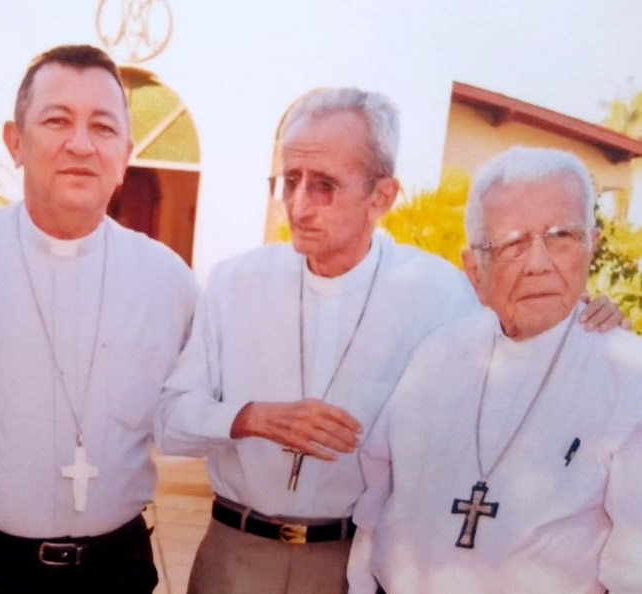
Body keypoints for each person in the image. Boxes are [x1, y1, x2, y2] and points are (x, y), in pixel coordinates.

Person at [153, 88, 623, 594]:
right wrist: (251, 418)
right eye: (289, 181)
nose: (298, 204)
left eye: (324, 185)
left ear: (381, 196)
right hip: (238, 553)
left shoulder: (439, 293)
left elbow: (519, 338)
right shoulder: (234, 282)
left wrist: (587, 312)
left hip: (344, 561)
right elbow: (169, 423)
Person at [0, 45, 198, 594]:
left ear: (126, 154)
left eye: (103, 127)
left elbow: (190, 412)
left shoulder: (167, 278)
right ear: (15, 141)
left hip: (115, 568)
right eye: (57, 120)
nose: (81, 144)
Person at [347, 146, 642, 594]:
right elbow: (378, 498)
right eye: (512, 243)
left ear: (591, 247)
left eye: (561, 235)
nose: (539, 264)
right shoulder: (437, 355)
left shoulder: (627, 375)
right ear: (474, 271)